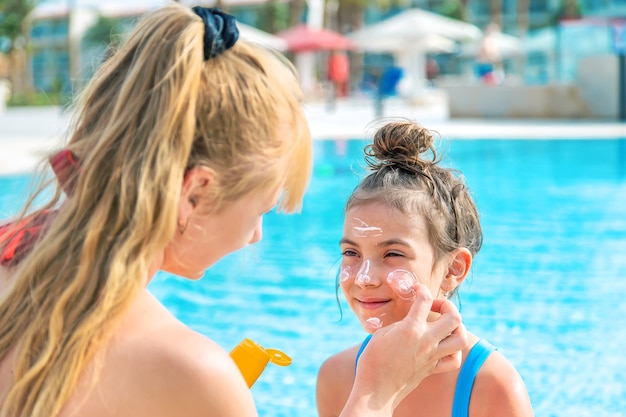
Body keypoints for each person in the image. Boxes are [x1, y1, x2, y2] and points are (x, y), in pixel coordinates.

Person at [0, 5, 468, 417]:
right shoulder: (190, 373)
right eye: (262, 208)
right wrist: (376, 395)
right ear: (196, 193)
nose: (255, 236)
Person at [316, 121, 534, 417]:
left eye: (392, 253)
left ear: (453, 269)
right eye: (351, 252)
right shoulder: (337, 377)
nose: (364, 278)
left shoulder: (493, 388)